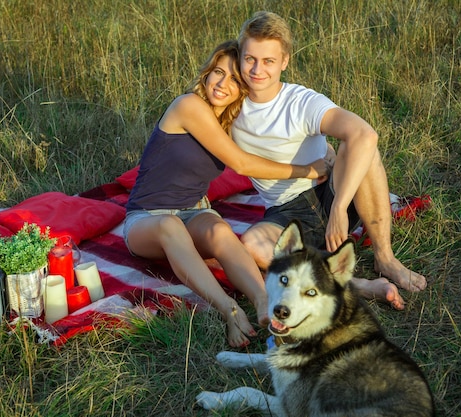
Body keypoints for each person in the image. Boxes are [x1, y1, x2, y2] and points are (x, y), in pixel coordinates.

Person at [123, 40, 328, 347]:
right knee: (170, 225)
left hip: (195, 213)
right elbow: (242, 163)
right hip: (147, 220)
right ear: (206, 74)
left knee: (220, 228)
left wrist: (326, 152)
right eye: (218, 72)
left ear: (242, 89)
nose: (222, 83)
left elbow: (277, 141)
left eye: (234, 79)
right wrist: (307, 170)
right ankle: (229, 309)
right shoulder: (187, 106)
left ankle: (262, 300)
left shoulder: (231, 122)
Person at [232, 11, 428, 310]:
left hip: (329, 193)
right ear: (240, 57)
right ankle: (353, 286)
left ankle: (385, 258)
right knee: (251, 246)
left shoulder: (300, 101)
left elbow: (365, 134)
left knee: (364, 147)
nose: (258, 69)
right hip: (285, 212)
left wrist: (338, 208)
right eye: (250, 59)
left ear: (284, 62)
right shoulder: (229, 104)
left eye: (268, 61)